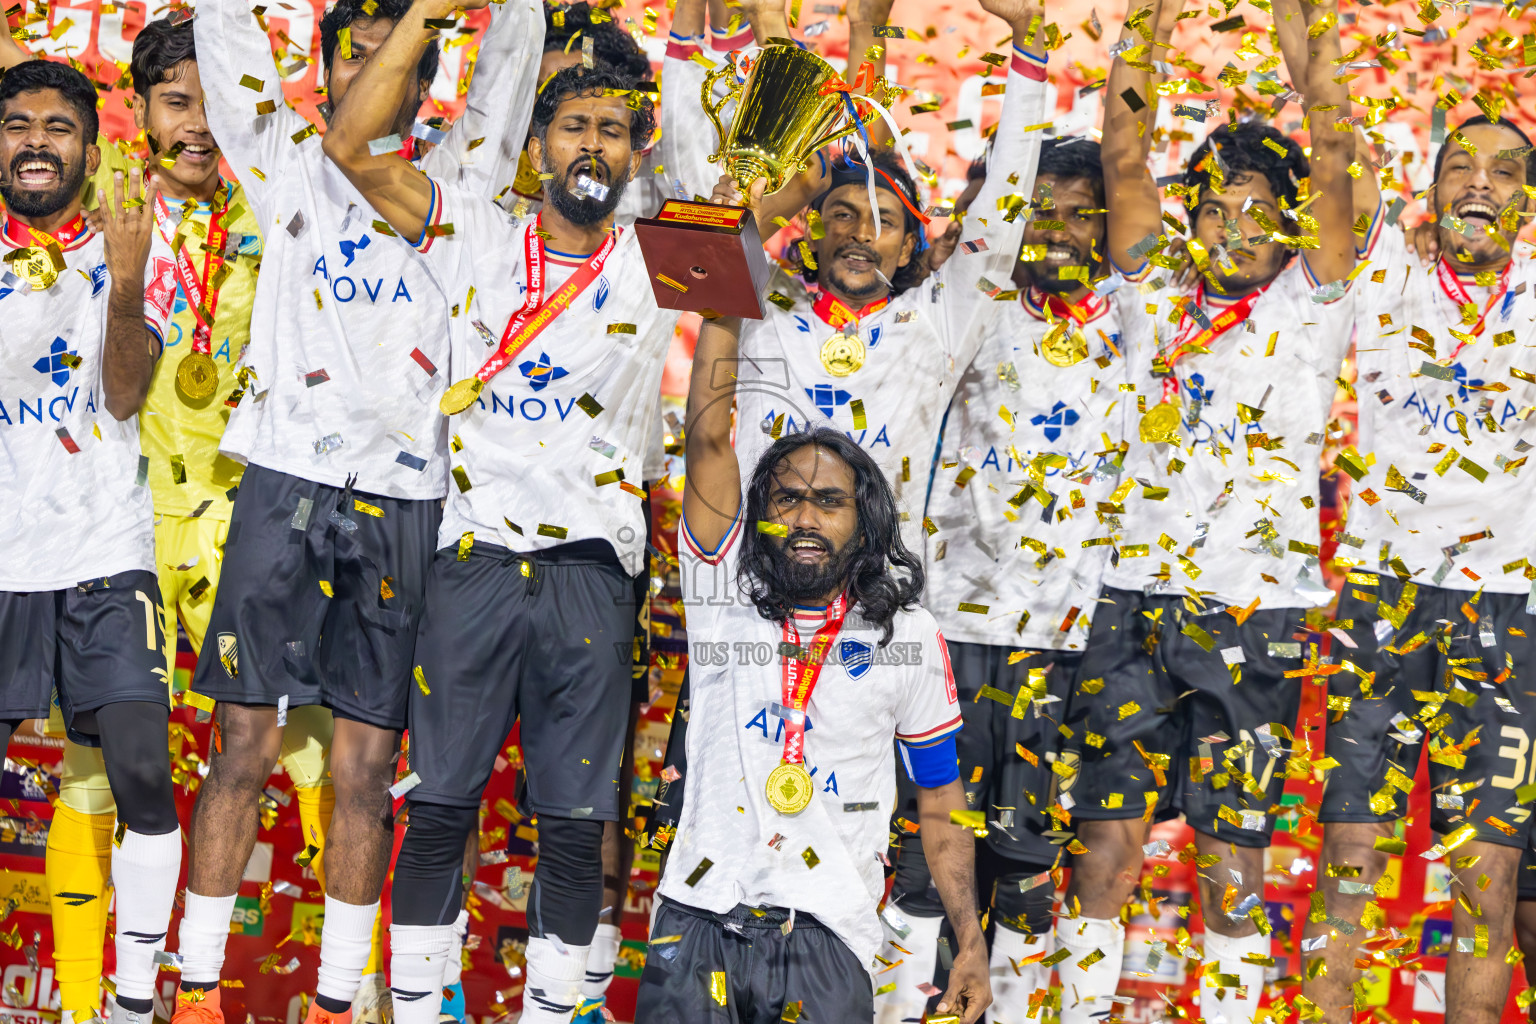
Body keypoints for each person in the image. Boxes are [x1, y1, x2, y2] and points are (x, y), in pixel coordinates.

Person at [171, 2, 541, 1021]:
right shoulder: (285, 156)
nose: (374, 70)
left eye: (399, 54)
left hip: (406, 494)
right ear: (325, 70)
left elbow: (513, 62)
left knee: (367, 765)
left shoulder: (461, 175)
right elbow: (230, 42)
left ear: (426, 76)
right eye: (354, 54)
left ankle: (338, 1001)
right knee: (241, 741)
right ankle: (198, 989)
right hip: (285, 475)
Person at [318, 2, 679, 1021]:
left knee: (572, 824)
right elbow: (348, 146)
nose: (592, 145)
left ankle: (552, 1012)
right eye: (573, 125)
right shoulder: (475, 229)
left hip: (591, 572)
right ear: (537, 142)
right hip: (471, 561)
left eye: (614, 130)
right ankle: (423, 1011)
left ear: (637, 153)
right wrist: (425, 16)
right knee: (436, 809)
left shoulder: (659, 259)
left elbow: (764, 196)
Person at [0, 23, 343, 1019]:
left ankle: (349, 990)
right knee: (98, 772)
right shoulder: (104, 218)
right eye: (176, 103)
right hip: (131, 526)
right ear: (140, 114)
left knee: (323, 754)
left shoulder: (288, 210)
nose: (199, 126)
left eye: (217, 102)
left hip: (259, 519)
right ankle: (82, 1002)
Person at [1055, 0, 1358, 1019]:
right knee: (1106, 845)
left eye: (1259, 210)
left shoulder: (1310, 306)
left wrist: (1293, 24)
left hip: (1250, 617)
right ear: (1193, 218)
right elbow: (1125, 149)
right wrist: (1146, 20)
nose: (1237, 226)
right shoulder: (1153, 291)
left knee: (1232, 858)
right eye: (1218, 207)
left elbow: (1331, 147)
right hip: (1133, 600)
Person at [635, 207, 987, 1018]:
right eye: (786, 498)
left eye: (828, 502)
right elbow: (711, 441)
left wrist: (967, 940)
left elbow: (939, 800)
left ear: (864, 521)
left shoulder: (910, 637)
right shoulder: (723, 589)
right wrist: (723, 287)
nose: (803, 518)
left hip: (830, 935)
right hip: (698, 920)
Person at [883, 136, 1124, 1024]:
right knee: (918, 858)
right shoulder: (968, 309)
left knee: (1026, 870)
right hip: (945, 627)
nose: (1056, 232)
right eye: (1039, 211)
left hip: (1060, 643)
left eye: (1078, 214)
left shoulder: (1138, 322)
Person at [1303, 113, 1536, 1024]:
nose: (1481, 182)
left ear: (1527, 200)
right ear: (1432, 189)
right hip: (1385, 600)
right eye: (1462, 166)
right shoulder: (1387, 272)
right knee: (1348, 864)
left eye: (1507, 171)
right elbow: (1328, 123)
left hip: (1508, 610)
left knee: (1488, 884)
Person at [675, 0, 1048, 560]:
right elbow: (721, 225)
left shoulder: (936, 321)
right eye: (844, 214)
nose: (861, 232)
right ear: (814, 229)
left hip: (881, 610)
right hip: (766, 596)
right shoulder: (766, 301)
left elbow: (1003, 212)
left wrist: (1030, 38)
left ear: (907, 251)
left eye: (885, 220)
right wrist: (746, 207)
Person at [0, 58, 183, 1024]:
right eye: (18, 123)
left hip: (109, 552)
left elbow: (122, 395)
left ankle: (129, 1002)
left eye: (58, 126)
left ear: (90, 146)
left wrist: (123, 283)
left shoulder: (138, 248)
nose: (36, 140)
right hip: (2, 558)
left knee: (143, 775)